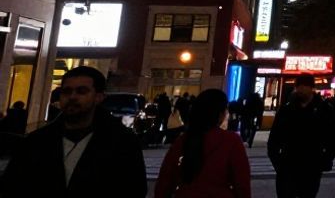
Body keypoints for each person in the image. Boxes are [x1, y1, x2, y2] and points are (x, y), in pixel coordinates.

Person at [0, 65, 147, 197]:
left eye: (81, 91)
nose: (72, 97)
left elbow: (133, 189)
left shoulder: (122, 143)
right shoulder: (37, 141)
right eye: (67, 91)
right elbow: (13, 185)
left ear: (98, 97)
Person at [153, 88, 252, 198]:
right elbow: (242, 185)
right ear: (220, 114)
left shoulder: (183, 140)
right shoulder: (231, 141)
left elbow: (164, 182)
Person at [267, 75, 335, 198]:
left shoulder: (324, 110)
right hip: (288, 166)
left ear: (311, 88)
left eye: (304, 86)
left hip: (311, 167)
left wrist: (323, 162)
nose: (301, 90)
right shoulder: (286, 109)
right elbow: (274, 138)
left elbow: (333, 140)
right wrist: (278, 163)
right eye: (298, 86)